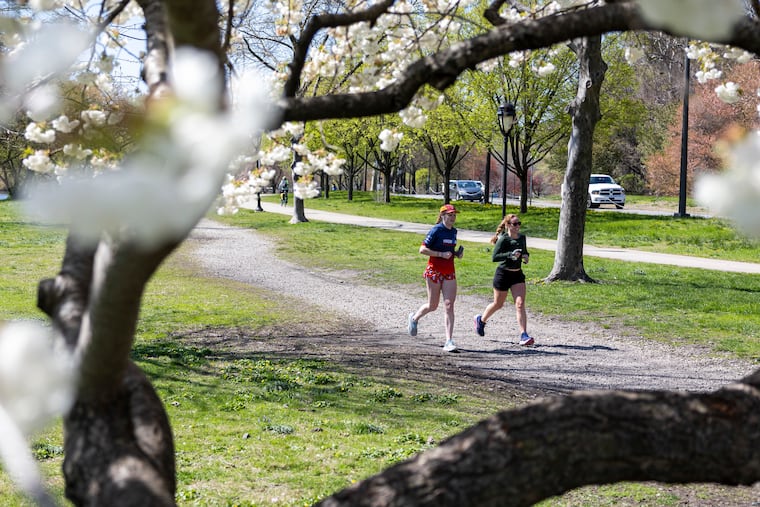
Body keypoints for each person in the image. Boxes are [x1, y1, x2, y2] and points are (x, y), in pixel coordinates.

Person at [407, 204, 464, 352]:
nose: (452, 218)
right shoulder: (436, 230)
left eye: (454, 215)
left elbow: (449, 250)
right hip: (434, 271)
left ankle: (449, 341)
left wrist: (457, 254)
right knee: (433, 305)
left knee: (449, 305)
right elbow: (422, 249)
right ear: (443, 216)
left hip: (449, 272)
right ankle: (414, 319)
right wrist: (440, 255)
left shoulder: (454, 232)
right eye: (450, 215)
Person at [473, 213, 534, 346]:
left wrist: (525, 256)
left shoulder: (522, 238)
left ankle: (524, 334)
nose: (518, 226)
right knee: (498, 304)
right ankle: (481, 320)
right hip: (503, 275)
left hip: (517, 275)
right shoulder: (504, 239)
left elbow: (525, 251)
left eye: (519, 224)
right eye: (515, 224)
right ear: (507, 225)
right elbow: (495, 257)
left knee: (520, 303)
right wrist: (510, 255)